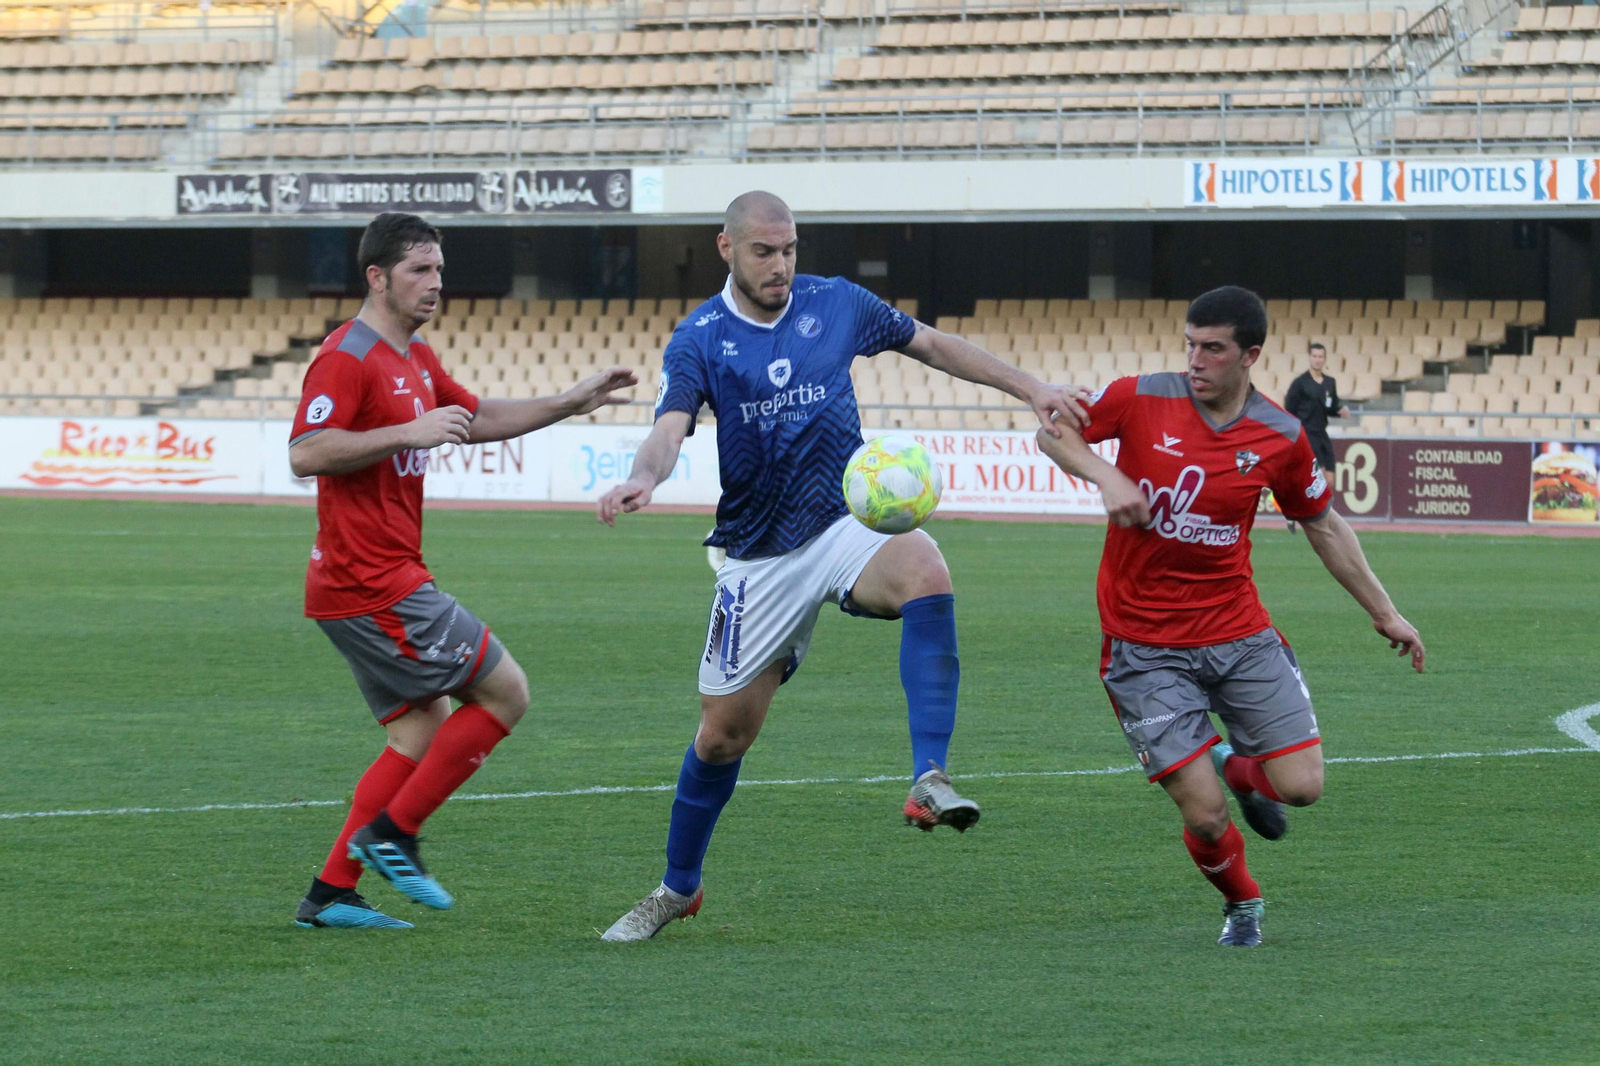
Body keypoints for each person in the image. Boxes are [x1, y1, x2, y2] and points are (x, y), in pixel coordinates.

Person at [593, 190, 1089, 942]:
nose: (781, 265)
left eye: (790, 249)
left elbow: (929, 343)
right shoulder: (699, 338)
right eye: (764, 251)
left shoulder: (838, 303)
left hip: (843, 519)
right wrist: (645, 476)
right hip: (757, 555)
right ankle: (677, 888)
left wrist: (1032, 388)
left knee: (927, 570)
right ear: (728, 249)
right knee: (722, 738)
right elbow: (669, 426)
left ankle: (930, 776)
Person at [1035, 286, 1425, 948]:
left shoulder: (1279, 435)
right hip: (1144, 645)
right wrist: (1104, 475)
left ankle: (1235, 767)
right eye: (1190, 344)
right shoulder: (1140, 395)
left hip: (1240, 634)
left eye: (1212, 348)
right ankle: (1243, 904)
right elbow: (1053, 430)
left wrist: (1386, 613)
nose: (1195, 360)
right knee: (1208, 816)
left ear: (1250, 355)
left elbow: (1324, 527)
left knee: (1301, 788)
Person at [288, 212, 636, 929]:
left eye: (440, 270)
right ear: (377, 277)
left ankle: (329, 894)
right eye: (419, 270)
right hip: (373, 583)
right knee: (506, 692)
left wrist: (571, 401)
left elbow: (474, 418)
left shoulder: (415, 358)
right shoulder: (346, 357)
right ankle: (395, 835)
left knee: (421, 730)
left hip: (370, 581)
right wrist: (406, 433)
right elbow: (306, 452)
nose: (436, 284)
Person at [1283, 341, 1349, 476]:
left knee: (1330, 478)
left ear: (1325, 359)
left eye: (1320, 357)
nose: (1317, 360)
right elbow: (1289, 409)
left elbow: (1330, 407)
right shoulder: (1300, 383)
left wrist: (1340, 411)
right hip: (1307, 433)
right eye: (1314, 356)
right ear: (1309, 358)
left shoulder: (1330, 382)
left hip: (1322, 433)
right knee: (1320, 476)